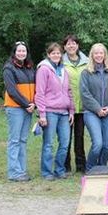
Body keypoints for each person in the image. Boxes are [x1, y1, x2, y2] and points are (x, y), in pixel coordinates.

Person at [35, 43, 75, 181]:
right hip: (50, 111)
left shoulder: (64, 70)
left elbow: (69, 91)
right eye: (53, 53)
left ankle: (60, 169)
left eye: (58, 53)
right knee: (49, 143)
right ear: (48, 54)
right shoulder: (44, 69)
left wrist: (71, 110)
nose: (56, 55)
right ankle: (47, 172)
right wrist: (42, 114)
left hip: (64, 112)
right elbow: (39, 93)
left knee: (65, 142)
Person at [80, 43, 108, 172]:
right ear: (92, 55)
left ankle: (101, 168)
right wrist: (97, 109)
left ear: (105, 55)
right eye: (96, 53)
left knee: (107, 145)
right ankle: (90, 168)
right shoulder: (86, 73)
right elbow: (85, 94)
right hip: (91, 112)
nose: (99, 55)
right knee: (98, 144)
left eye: (101, 53)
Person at [2, 42, 36, 182]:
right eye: (19, 51)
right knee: (14, 140)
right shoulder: (9, 68)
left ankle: (21, 170)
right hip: (15, 108)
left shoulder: (29, 67)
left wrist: (33, 104)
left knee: (23, 140)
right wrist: (26, 104)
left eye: (24, 51)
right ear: (14, 52)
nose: (21, 53)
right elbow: (12, 91)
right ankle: (14, 172)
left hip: (28, 108)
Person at [61, 35, 90, 173]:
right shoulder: (59, 62)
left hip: (82, 106)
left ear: (78, 46)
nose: (71, 46)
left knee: (80, 137)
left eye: (74, 43)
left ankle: (81, 165)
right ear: (64, 47)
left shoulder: (87, 62)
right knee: (66, 137)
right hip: (66, 106)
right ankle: (65, 166)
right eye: (68, 44)